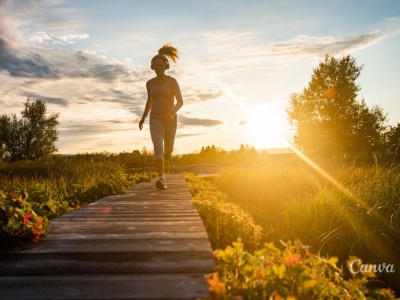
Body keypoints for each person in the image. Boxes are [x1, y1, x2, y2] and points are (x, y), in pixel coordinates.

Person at [139, 44, 183, 190]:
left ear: (166, 66)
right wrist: (143, 117)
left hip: (170, 119)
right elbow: (150, 101)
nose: (158, 67)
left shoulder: (172, 81)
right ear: (152, 67)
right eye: (155, 65)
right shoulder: (149, 83)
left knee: (168, 149)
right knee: (158, 146)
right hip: (155, 118)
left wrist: (171, 112)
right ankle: (161, 179)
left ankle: (168, 154)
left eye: (161, 65)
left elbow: (180, 101)